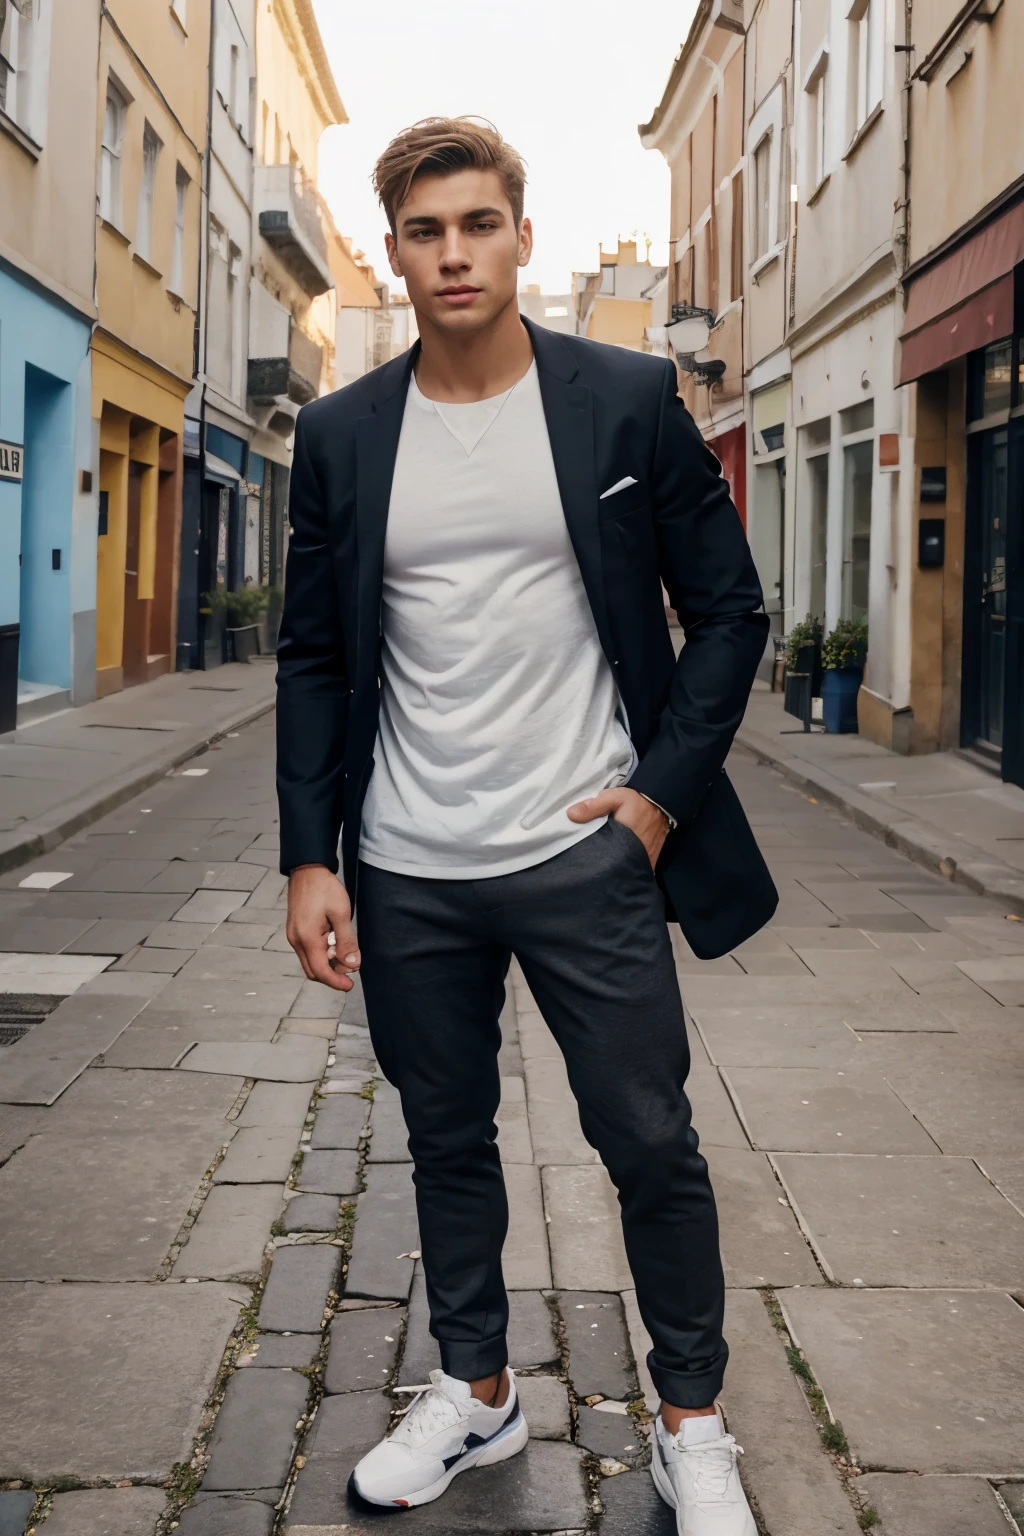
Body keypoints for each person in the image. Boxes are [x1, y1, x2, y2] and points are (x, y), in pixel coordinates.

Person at [277, 117, 776, 1536]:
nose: (453, 254)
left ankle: (694, 1425)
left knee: (651, 1143)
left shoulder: (622, 396)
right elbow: (313, 655)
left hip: (584, 850)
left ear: (520, 236)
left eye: (477, 224)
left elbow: (730, 611)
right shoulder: (342, 431)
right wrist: (313, 853)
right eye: (426, 232)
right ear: (396, 252)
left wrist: (657, 798)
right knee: (445, 1139)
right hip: (407, 861)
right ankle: (478, 1391)